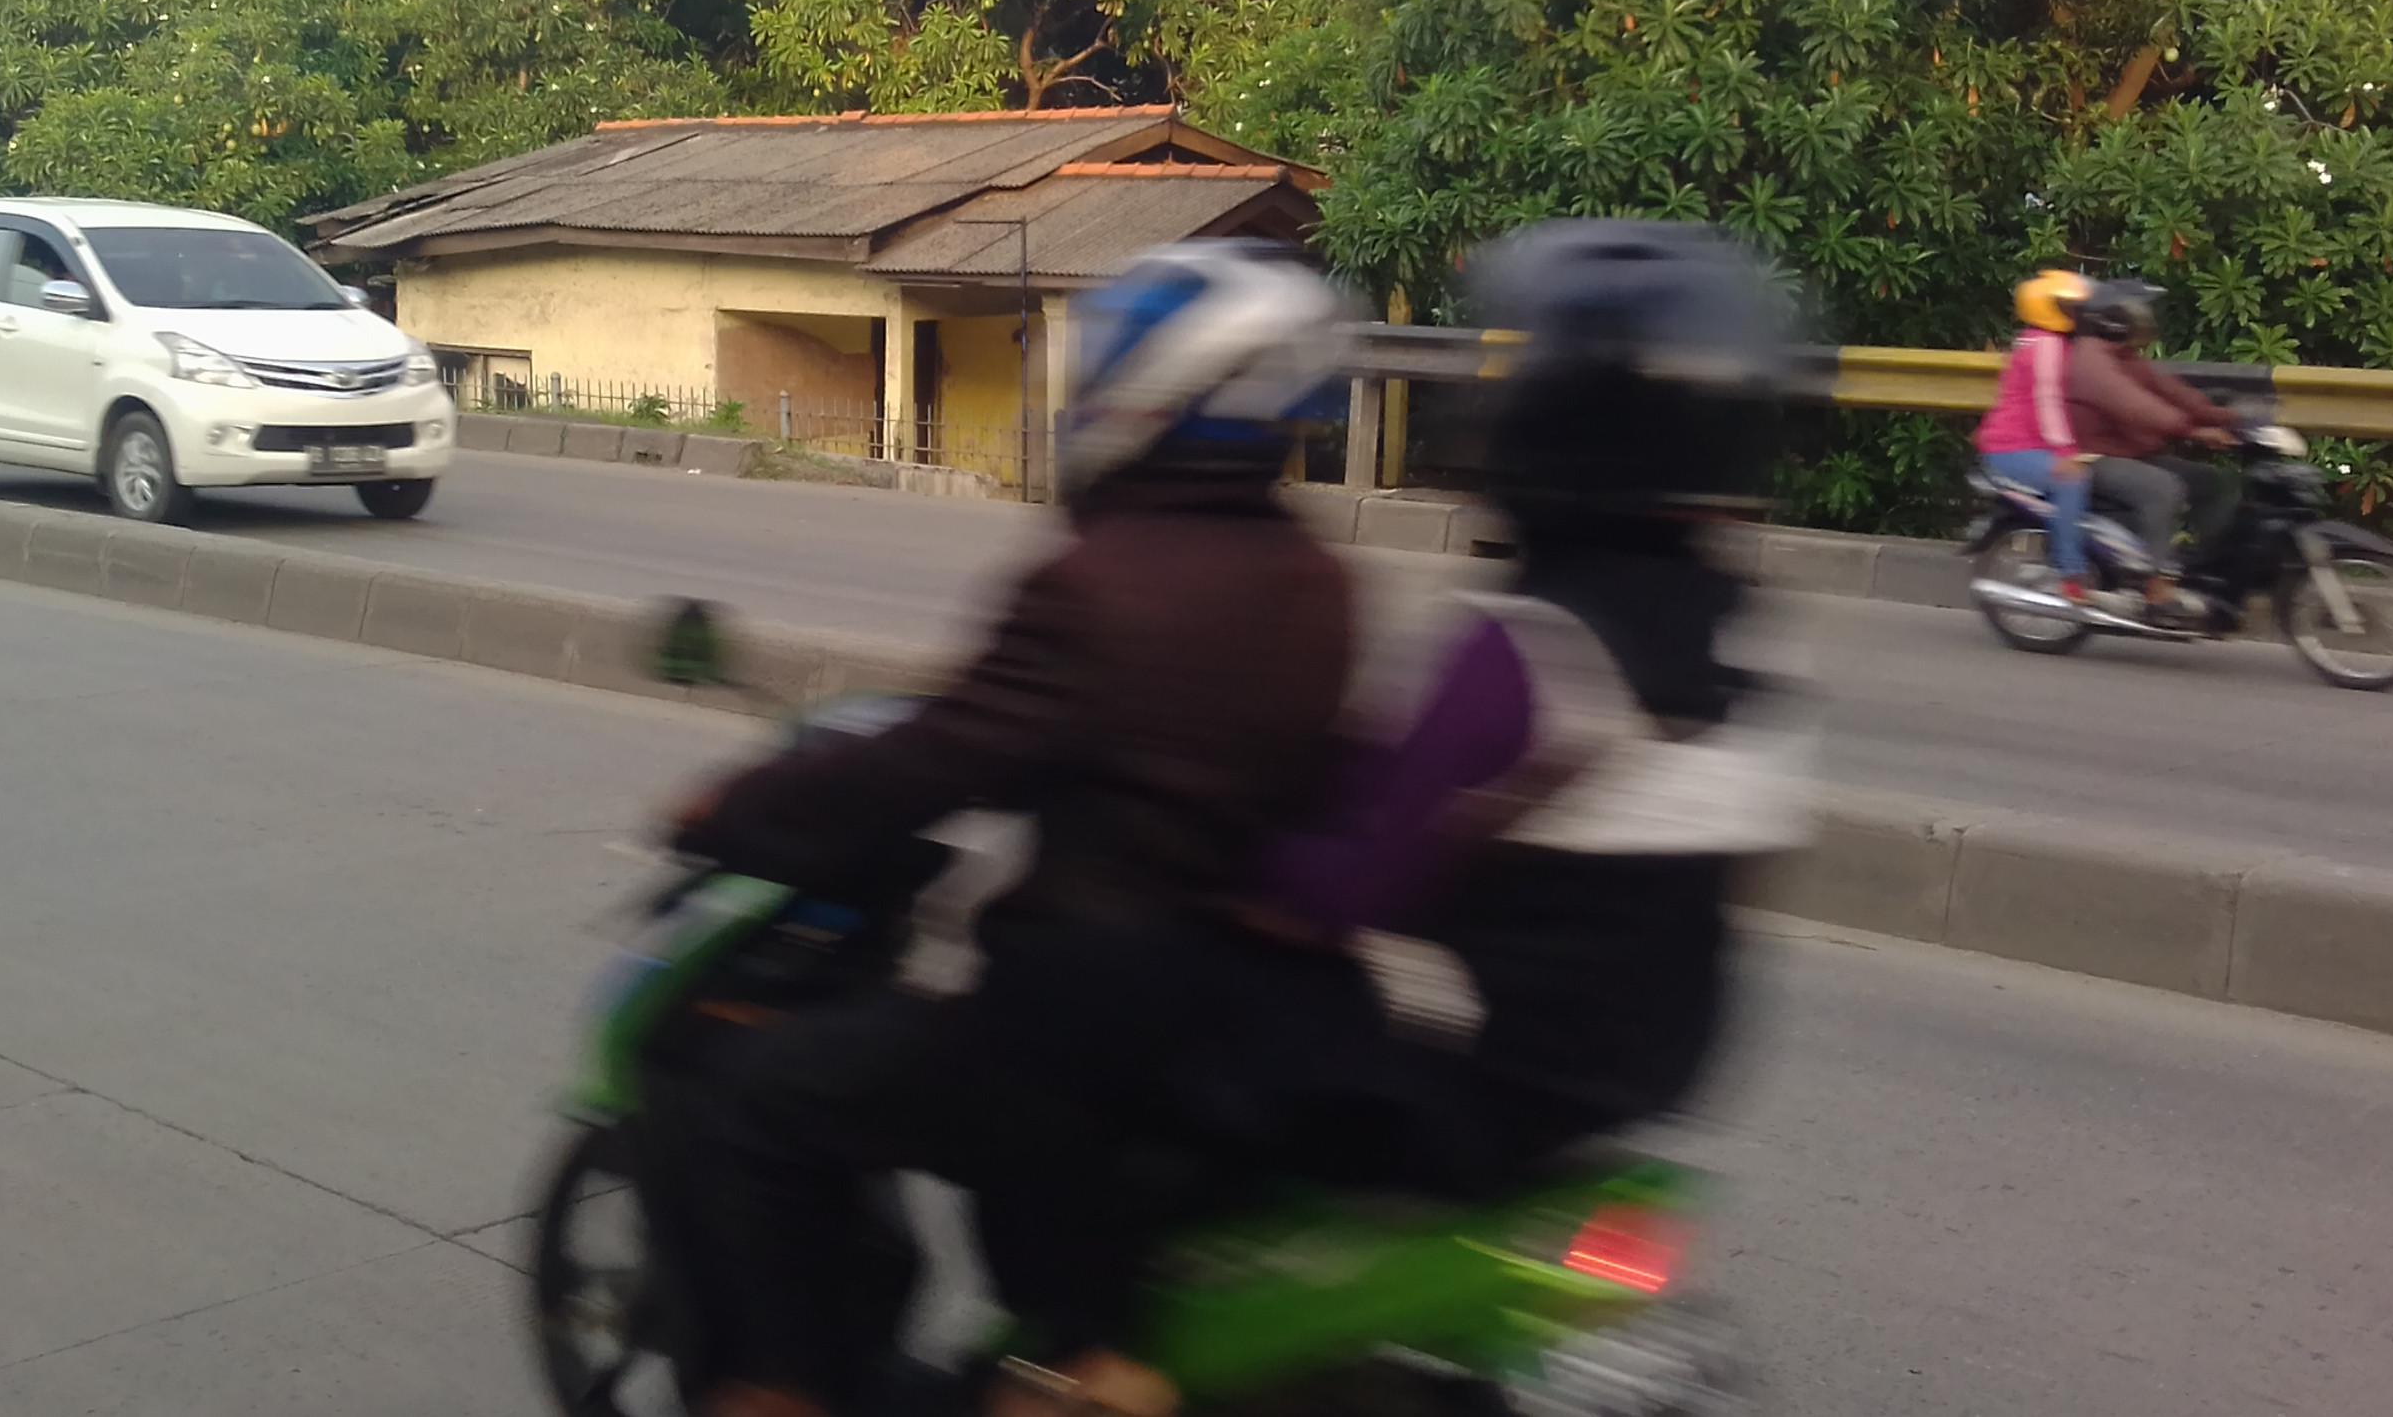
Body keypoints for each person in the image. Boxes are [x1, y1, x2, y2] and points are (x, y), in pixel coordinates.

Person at [652, 242, 1358, 1417]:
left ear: (1155, 393)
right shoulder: (1314, 577)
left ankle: (774, 1392)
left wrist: (742, 812)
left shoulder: (1094, 583)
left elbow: (938, 760)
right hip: (1238, 1004)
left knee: (753, 1103)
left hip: (1078, 1019)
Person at [1257, 220, 1810, 1198]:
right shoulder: (1744, 650)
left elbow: (1355, 885)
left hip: (1482, 1100)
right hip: (1646, 1093)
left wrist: (1231, 865)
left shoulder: (1522, 650)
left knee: (1184, 1065)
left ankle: (1102, 1350)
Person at [2066, 280, 2236, 621]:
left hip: (2129, 452)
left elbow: (2171, 391)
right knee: (2162, 489)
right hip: (2092, 457)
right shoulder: (2091, 359)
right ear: (2115, 320)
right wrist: (2194, 430)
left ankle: (2199, 573)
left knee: (2216, 483)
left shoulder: (2126, 357)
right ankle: (2156, 590)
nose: (2146, 321)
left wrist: (2231, 418)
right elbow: (2136, 406)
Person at [1975, 269, 2098, 604]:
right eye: (2069, 306)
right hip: (2013, 449)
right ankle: (2070, 573)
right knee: (2072, 482)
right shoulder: (2046, 344)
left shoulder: (2037, 340)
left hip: (2017, 445)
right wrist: (2065, 452)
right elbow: (2047, 399)